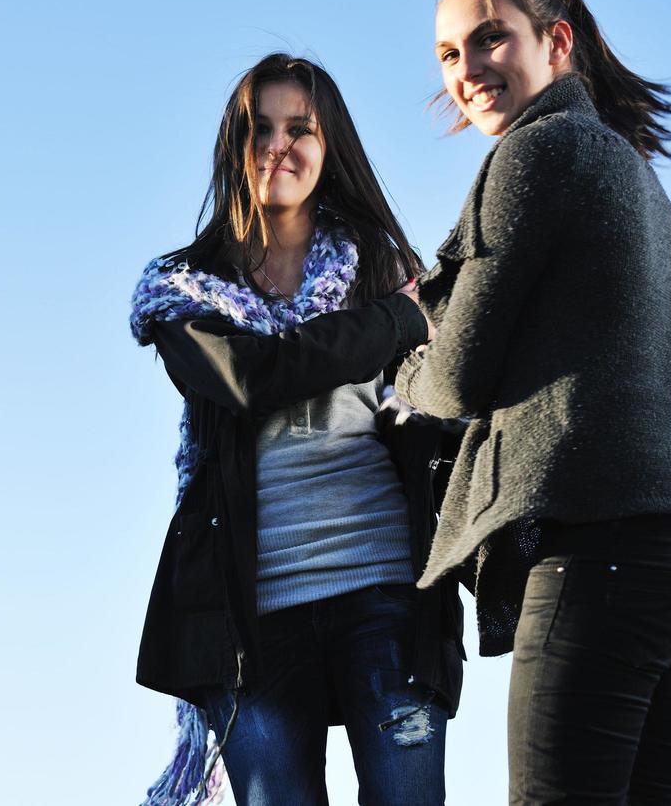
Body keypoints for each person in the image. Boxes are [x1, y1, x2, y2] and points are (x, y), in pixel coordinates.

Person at [395, 0, 671, 805]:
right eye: (448, 54)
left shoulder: (538, 150)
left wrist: (400, 372)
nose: (468, 71)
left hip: (610, 545)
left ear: (555, 43)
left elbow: (454, 381)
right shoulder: (626, 168)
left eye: (490, 38)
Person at [129, 53, 463, 806]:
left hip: (384, 587)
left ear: (327, 145)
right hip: (251, 616)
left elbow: (443, 411)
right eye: (260, 128)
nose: (278, 145)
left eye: (299, 129)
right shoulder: (180, 291)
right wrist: (394, 323)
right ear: (233, 146)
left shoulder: (384, 269)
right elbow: (251, 380)